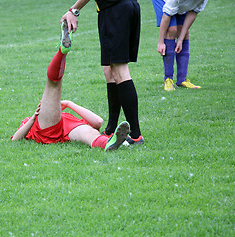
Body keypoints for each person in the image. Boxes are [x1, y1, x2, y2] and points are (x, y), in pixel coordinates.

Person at [12, 21, 130, 152]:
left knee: (91, 135)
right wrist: (33, 118)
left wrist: (69, 103)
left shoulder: (73, 121)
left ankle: (108, 144)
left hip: (66, 130)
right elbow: (15, 139)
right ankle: (62, 52)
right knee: (53, 85)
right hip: (46, 128)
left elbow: (98, 122)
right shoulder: (31, 120)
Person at [61, 0, 144, 145]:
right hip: (126, 7)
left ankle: (136, 136)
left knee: (120, 71)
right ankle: (110, 129)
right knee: (109, 70)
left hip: (115, 9)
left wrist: (74, 10)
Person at [152, 0, 208, 91]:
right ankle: (168, 79)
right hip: (163, 1)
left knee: (184, 32)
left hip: (179, 5)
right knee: (172, 29)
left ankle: (182, 80)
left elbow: (193, 12)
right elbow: (167, 14)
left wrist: (180, 39)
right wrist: (160, 42)